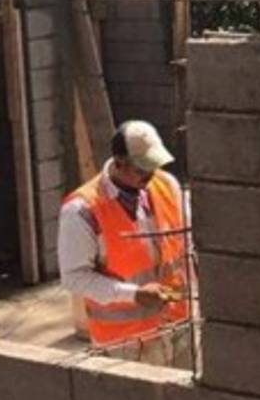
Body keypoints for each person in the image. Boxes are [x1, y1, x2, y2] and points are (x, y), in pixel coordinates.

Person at [59, 120, 190, 362]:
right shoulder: (82, 211)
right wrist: (133, 294)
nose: (150, 175)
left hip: (178, 325)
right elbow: (74, 278)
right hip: (126, 344)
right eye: (142, 169)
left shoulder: (167, 186)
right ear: (119, 163)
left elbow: (188, 245)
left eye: (154, 166)